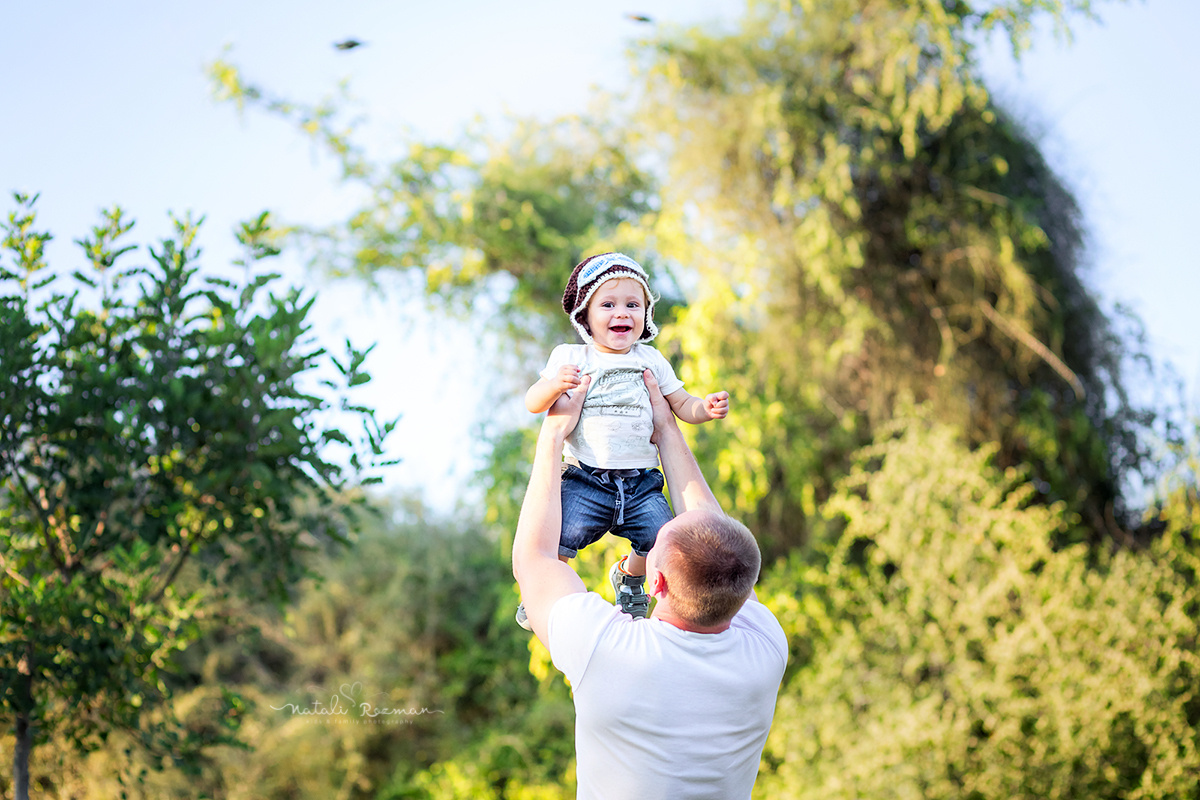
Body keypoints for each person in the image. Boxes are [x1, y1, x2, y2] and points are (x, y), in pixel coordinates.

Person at [512, 369, 788, 799]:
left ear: (655, 581)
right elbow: (714, 538)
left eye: (655, 542)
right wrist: (666, 429)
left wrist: (552, 435)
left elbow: (535, 560)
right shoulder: (766, 646)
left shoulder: (608, 650)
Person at [517, 252, 729, 627]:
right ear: (585, 315)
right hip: (586, 479)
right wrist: (552, 385)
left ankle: (630, 578)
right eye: (608, 305)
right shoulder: (571, 356)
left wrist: (704, 408)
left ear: (645, 315)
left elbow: (680, 404)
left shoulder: (651, 359)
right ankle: (540, 593)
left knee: (663, 541)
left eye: (633, 305)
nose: (622, 314)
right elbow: (533, 403)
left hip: (640, 483)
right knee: (557, 539)